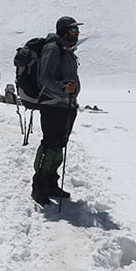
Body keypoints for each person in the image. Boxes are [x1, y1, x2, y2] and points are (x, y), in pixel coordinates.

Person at [31, 15, 81, 206]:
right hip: (52, 105)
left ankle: (51, 183)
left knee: (60, 144)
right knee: (49, 144)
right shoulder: (53, 49)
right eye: (73, 30)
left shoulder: (67, 51)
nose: (77, 33)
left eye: (77, 30)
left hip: (66, 105)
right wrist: (62, 88)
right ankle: (39, 187)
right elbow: (44, 78)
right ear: (63, 31)